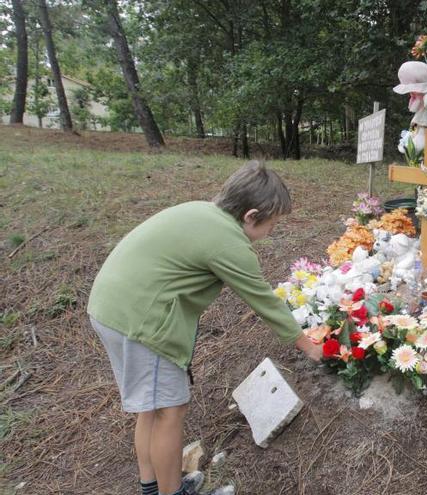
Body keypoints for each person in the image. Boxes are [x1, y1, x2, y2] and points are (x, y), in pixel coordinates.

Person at [87, 161, 322, 495]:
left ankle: (153, 487)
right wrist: (309, 345)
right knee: (170, 410)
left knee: (150, 408)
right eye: (273, 223)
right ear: (251, 216)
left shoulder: (202, 211)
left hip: (111, 307)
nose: (273, 231)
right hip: (141, 322)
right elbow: (264, 302)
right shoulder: (229, 242)